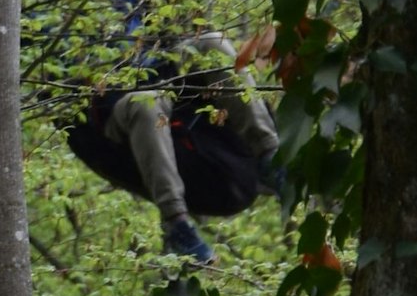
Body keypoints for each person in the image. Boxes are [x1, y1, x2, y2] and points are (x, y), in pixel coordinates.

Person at [58, 33, 283, 265]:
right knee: (145, 104)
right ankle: (176, 223)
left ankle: (270, 156)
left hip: (163, 73)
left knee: (213, 43)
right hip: (113, 106)